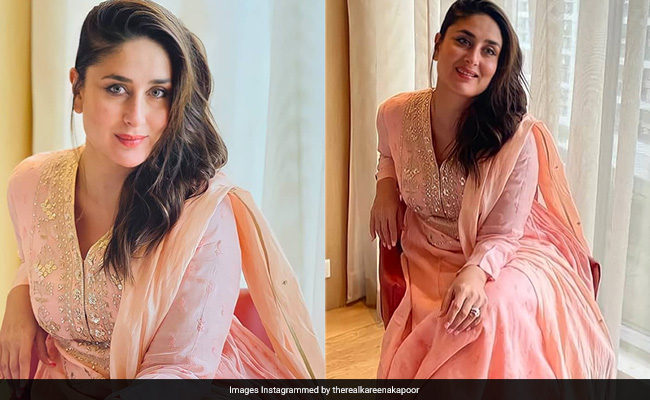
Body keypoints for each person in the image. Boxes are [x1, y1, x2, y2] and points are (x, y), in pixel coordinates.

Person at [0, 0, 323, 387]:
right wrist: (19, 298)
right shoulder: (31, 183)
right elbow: (37, 259)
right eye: (116, 88)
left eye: (157, 93)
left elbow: (182, 369)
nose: (136, 116)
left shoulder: (203, 215)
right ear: (78, 88)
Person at [370, 0, 615, 378]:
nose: (473, 58)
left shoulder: (515, 139)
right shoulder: (394, 113)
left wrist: (476, 272)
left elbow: (503, 233)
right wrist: (385, 185)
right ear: (437, 44)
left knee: (485, 309)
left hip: (506, 252)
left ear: (499, 66)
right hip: (427, 249)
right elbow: (388, 153)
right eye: (463, 41)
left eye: (489, 51)